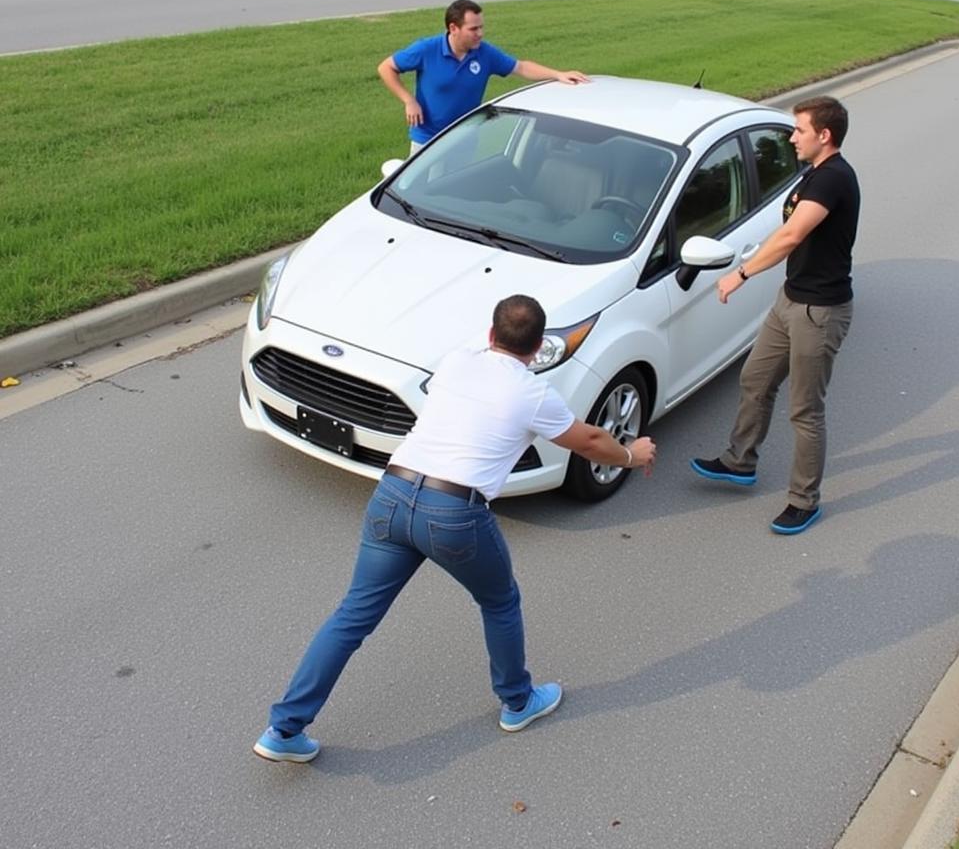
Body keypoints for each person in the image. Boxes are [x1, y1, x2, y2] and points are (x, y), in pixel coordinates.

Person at [253, 294, 657, 763]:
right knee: (499, 601)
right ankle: (518, 701)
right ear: (536, 350)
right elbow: (588, 440)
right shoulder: (532, 394)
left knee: (351, 618)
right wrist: (632, 454)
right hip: (454, 513)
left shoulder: (457, 361)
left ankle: (283, 729)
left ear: (491, 335)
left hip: (392, 494)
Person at [689, 96, 860, 536]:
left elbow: (791, 235)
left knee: (805, 410)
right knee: (755, 380)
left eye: (799, 130)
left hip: (819, 312)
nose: (791, 137)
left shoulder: (833, 180)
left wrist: (740, 273)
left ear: (824, 135)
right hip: (791, 300)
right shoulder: (814, 174)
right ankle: (739, 460)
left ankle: (805, 501)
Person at [377, 0, 589, 155]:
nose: (480, 33)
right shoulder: (426, 49)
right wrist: (409, 100)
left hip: (465, 138)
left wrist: (558, 74)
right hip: (428, 139)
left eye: (482, 27)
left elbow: (521, 67)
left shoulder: (484, 53)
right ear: (453, 28)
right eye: (473, 29)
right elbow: (386, 68)